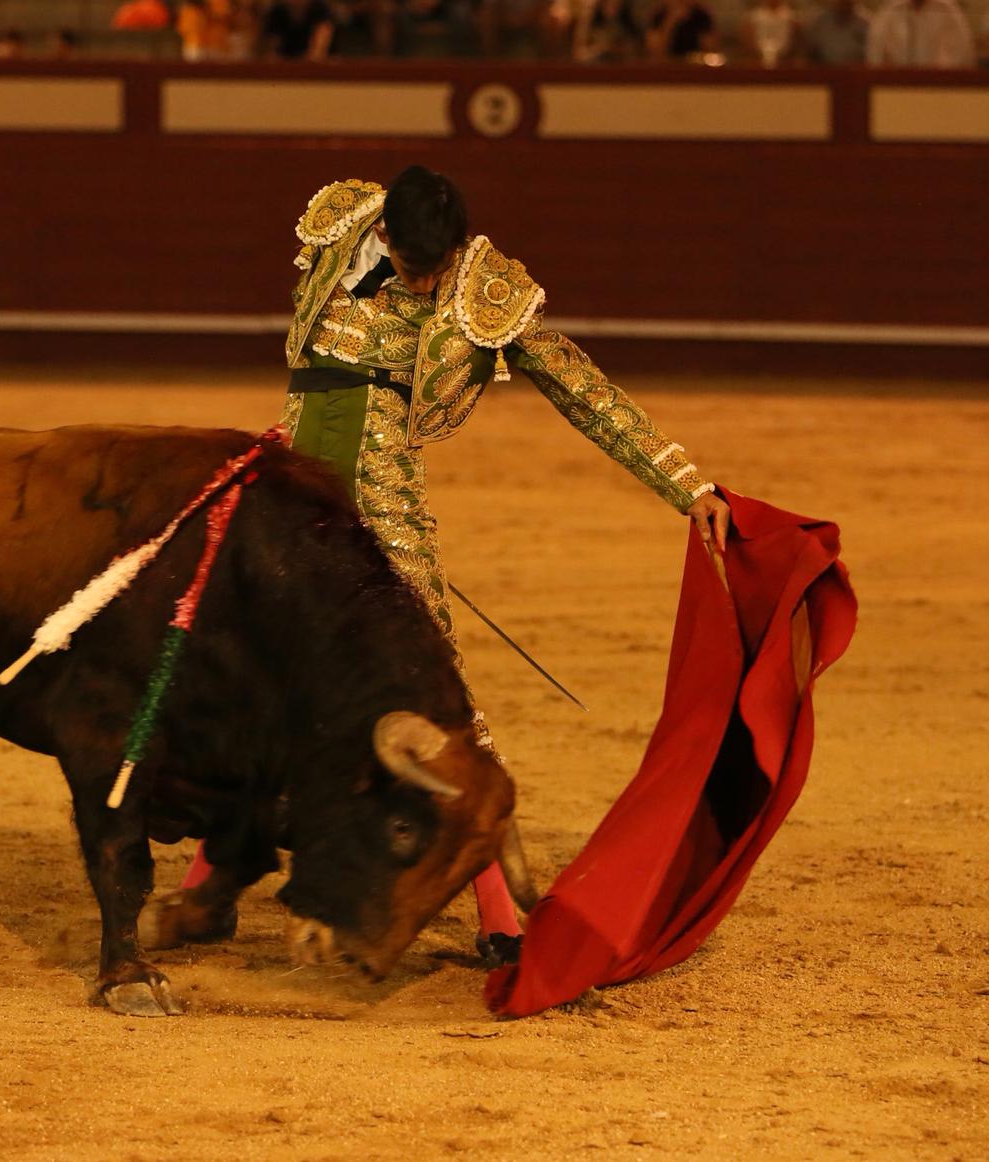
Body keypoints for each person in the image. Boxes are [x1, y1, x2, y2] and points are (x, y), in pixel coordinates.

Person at [274, 167, 729, 958]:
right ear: (382, 233)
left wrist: (687, 485)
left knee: (438, 693)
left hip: (385, 507)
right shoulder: (338, 223)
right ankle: (205, 890)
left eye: (438, 267)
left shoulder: (484, 291)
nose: (427, 282)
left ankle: (499, 917)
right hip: (288, 486)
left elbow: (581, 388)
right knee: (247, 665)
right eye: (414, 266)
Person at [865, 0, 973, 65]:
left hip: (940, 90)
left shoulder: (949, 12)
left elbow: (962, 59)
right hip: (895, 89)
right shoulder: (888, 13)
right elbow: (875, 57)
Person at [260, 0, 334, 59]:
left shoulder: (321, 10)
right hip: (283, 68)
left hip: (313, 68)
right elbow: (271, 52)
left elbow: (317, 53)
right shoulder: (277, 12)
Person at [802, 0, 869, 63]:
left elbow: (867, 58)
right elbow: (810, 51)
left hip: (854, 69)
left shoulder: (864, 24)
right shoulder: (820, 22)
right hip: (823, 69)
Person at [645, 0, 718, 56]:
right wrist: (671, 21)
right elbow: (654, 51)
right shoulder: (660, 14)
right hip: (666, 65)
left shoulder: (701, 15)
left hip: (695, 66)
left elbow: (712, 49)